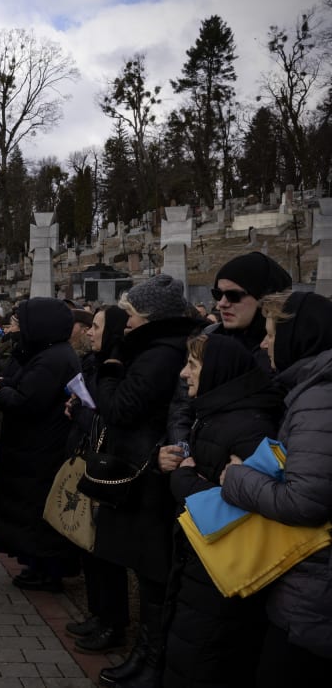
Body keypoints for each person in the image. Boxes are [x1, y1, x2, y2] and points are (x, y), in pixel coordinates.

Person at [155, 334, 283, 688]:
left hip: (223, 581)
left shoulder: (249, 427)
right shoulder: (214, 414)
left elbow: (255, 510)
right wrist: (165, 462)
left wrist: (183, 482)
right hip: (201, 569)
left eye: (193, 365)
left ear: (218, 372)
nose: (183, 373)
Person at [221, 291, 332, 686]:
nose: (264, 344)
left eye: (270, 335)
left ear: (297, 338)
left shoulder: (320, 397)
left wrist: (236, 477)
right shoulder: (311, 388)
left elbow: (303, 501)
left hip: (315, 591)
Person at [94, 274, 199, 688]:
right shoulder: (157, 347)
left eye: (132, 314)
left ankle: (152, 662)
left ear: (153, 317)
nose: (127, 321)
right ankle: (144, 655)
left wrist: (111, 369)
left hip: (152, 477)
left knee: (154, 577)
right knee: (147, 575)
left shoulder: (157, 355)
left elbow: (119, 408)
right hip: (146, 470)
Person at [0, 297, 82, 593]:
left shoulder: (54, 359)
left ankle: (46, 570)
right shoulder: (48, 353)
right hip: (35, 449)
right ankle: (37, 565)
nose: (20, 328)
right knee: (32, 511)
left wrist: (1, 391)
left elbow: (27, 401)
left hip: (42, 451)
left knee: (40, 513)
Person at [63, 306, 131, 654]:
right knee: (89, 545)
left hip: (108, 468)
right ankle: (97, 612)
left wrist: (83, 411)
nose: (90, 332)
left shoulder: (118, 368)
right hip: (88, 458)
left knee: (106, 551)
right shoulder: (93, 364)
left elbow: (110, 416)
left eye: (98, 327)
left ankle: (112, 622)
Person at [209, 251, 292, 371]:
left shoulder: (285, 353)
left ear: (264, 299)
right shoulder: (208, 339)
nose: (221, 304)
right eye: (218, 294)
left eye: (233, 295)